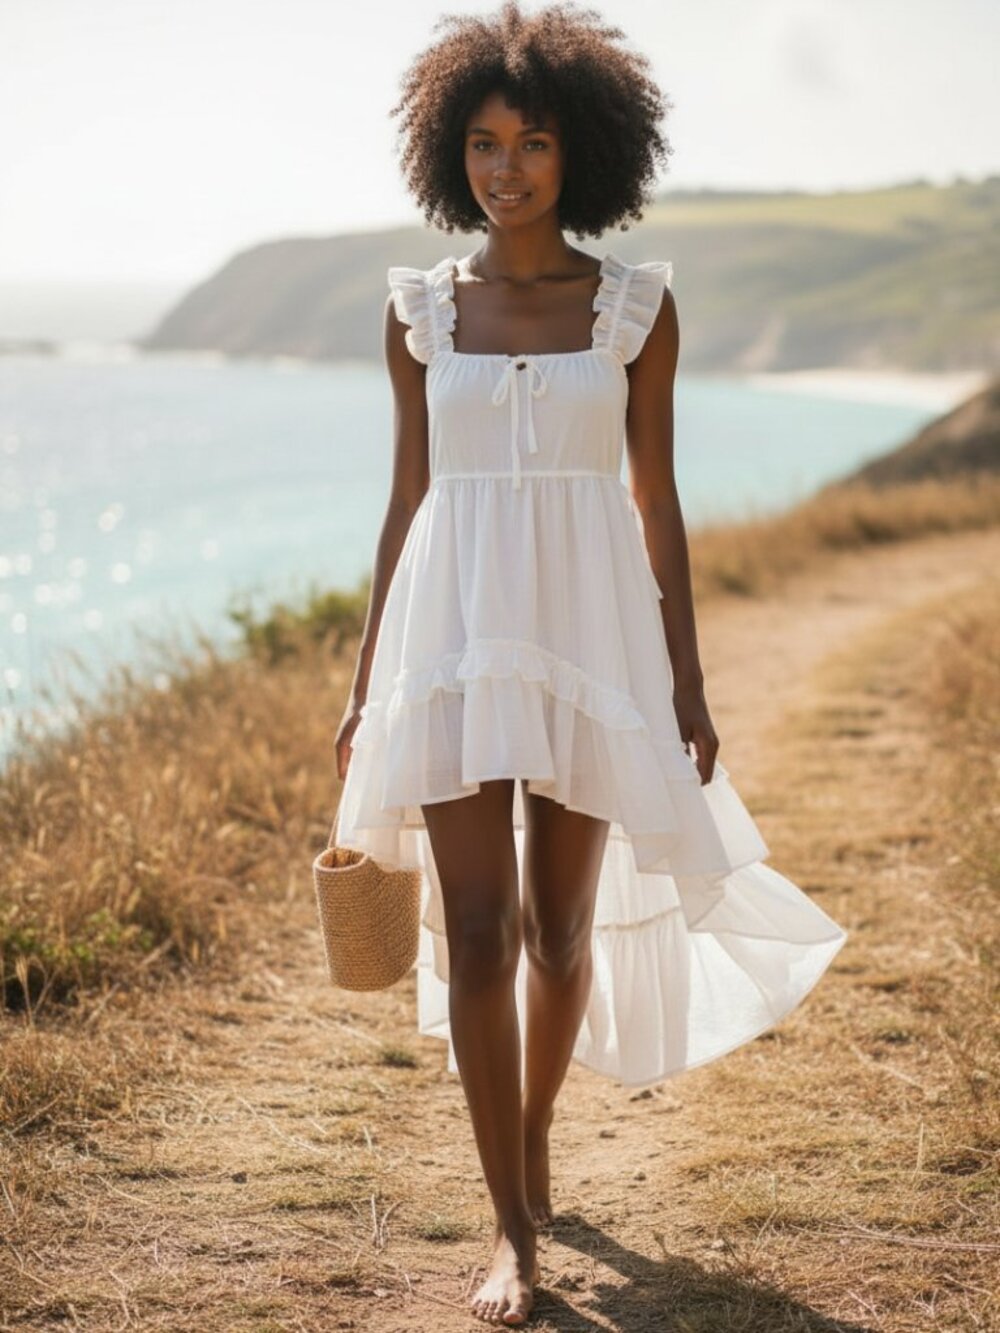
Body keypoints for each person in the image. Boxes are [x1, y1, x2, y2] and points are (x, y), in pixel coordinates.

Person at [332, 1, 848, 1324]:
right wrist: (362, 677)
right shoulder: (417, 315)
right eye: (485, 144)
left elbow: (657, 499)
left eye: (535, 142)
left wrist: (686, 678)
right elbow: (405, 502)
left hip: (587, 629)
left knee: (563, 929)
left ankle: (537, 1128)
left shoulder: (634, 306)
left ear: (582, 153)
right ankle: (511, 1225)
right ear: (451, 150)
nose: (506, 170)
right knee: (482, 926)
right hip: (450, 636)